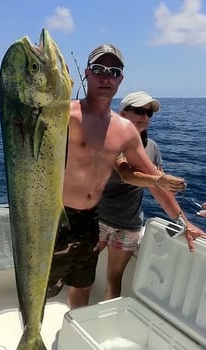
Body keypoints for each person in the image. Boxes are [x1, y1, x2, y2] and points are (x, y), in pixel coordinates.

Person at [46, 44, 206, 309]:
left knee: (82, 284)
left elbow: (155, 182)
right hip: (56, 216)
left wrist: (184, 222)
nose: (106, 77)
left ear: (120, 79)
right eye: (99, 70)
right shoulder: (63, 114)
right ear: (87, 73)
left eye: (114, 71)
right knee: (43, 287)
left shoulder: (125, 131)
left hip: (90, 220)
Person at [98, 91, 186, 299]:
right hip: (98, 218)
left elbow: (160, 184)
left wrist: (184, 222)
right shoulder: (111, 140)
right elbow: (126, 174)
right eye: (139, 110)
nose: (145, 116)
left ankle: (106, 323)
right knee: (79, 271)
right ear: (123, 113)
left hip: (128, 224)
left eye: (149, 113)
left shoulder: (152, 147)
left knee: (114, 279)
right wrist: (158, 180)